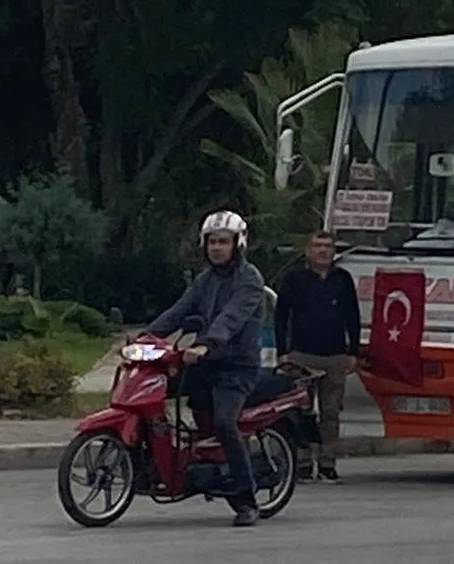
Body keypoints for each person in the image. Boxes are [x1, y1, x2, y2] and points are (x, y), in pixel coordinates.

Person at [144, 209, 266, 527]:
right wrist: (146, 337)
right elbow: (179, 311)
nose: (216, 248)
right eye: (212, 242)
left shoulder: (250, 280)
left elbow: (231, 319)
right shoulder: (205, 280)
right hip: (202, 363)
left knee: (226, 424)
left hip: (236, 368)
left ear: (238, 244)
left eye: (223, 242)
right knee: (150, 393)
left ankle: (246, 499)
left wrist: (206, 345)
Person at [274, 230, 361, 484]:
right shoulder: (294, 279)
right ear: (308, 250)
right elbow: (281, 316)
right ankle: (302, 462)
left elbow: (352, 317)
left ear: (335, 252)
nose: (322, 251)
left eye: (327, 246)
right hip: (301, 355)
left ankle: (327, 463)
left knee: (331, 412)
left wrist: (353, 352)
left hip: (335, 356)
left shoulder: (343, 280)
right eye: (317, 246)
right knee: (300, 411)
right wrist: (282, 352)